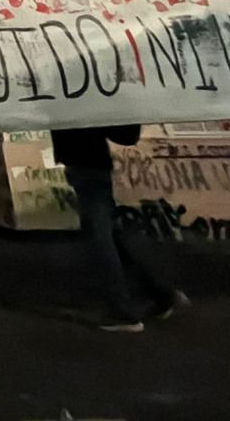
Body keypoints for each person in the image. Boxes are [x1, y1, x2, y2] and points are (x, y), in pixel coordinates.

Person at [53, 125, 188, 332]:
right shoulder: (92, 99)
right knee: (110, 239)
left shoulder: (84, 100)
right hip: (91, 163)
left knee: (100, 239)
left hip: (87, 165)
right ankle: (160, 295)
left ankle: (122, 311)